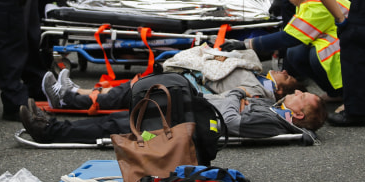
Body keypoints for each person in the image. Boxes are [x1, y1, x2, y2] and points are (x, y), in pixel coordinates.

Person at [21, 73, 324, 145]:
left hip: (181, 128)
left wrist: (235, 94)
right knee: (125, 115)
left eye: (301, 97)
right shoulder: (272, 112)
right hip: (188, 114)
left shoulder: (273, 123)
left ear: (297, 115)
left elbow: (231, 122)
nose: (297, 92)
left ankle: (47, 130)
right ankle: (58, 115)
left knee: (116, 129)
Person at [221, 0, 349, 101]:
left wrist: (246, 45)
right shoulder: (312, 1)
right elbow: (291, 34)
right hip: (344, 41)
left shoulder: (317, 6)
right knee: (296, 53)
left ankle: (346, 93)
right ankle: (335, 93)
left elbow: (288, 37)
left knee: (314, 55)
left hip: (351, 47)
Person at [41, 66, 299, 111]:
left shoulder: (258, 91)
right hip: (192, 80)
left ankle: (68, 99)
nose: (284, 72)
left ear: (279, 91)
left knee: (138, 92)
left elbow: (225, 99)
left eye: (288, 79)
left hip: (194, 90)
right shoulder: (257, 76)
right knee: (136, 85)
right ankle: (78, 93)